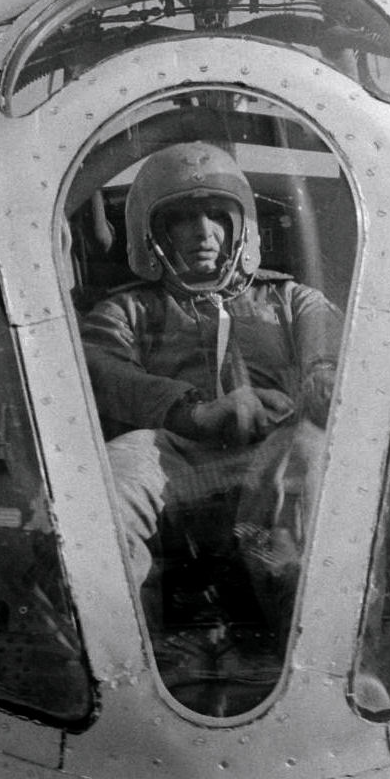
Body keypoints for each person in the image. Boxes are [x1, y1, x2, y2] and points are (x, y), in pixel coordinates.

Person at [80, 141, 343, 658]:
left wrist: (319, 387)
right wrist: (195, 410)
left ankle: (315, 650)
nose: (202, 232)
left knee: (308, 458)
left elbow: (328, 356)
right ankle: (126, 655)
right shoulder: (128, 309)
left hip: (278, 450)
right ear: (151, 234)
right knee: (109, 480)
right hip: (178, 452)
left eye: (215, 216)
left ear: (239, 228)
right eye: (182, 218)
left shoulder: (293, 299)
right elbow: (100, 367)